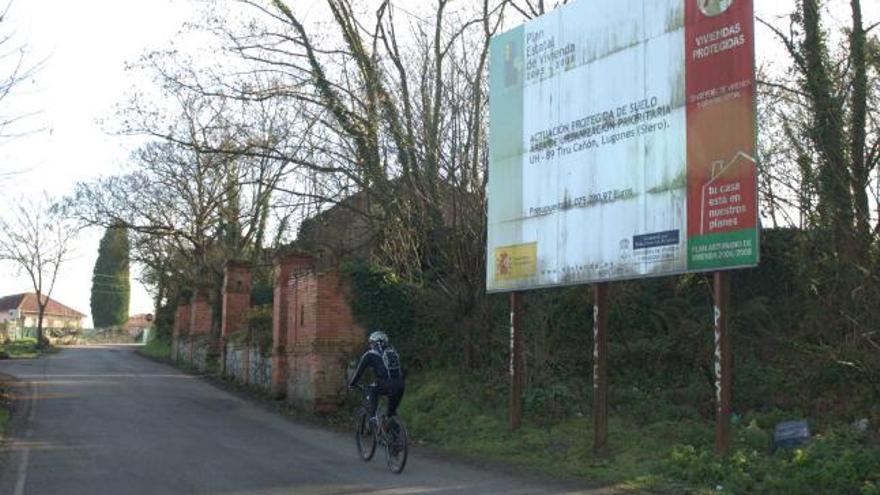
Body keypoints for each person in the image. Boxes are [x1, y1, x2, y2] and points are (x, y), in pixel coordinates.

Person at [348, 330, 405, 425]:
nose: (370, 345)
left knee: (372, 391)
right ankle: (396, 436)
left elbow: (359, 372)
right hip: (400, 384)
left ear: (374, 343)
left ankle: (372, 417)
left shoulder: (370, 354)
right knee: (391, 414)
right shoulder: (393, 352)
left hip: (384, 383)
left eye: (371, 343)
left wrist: (352, 384)